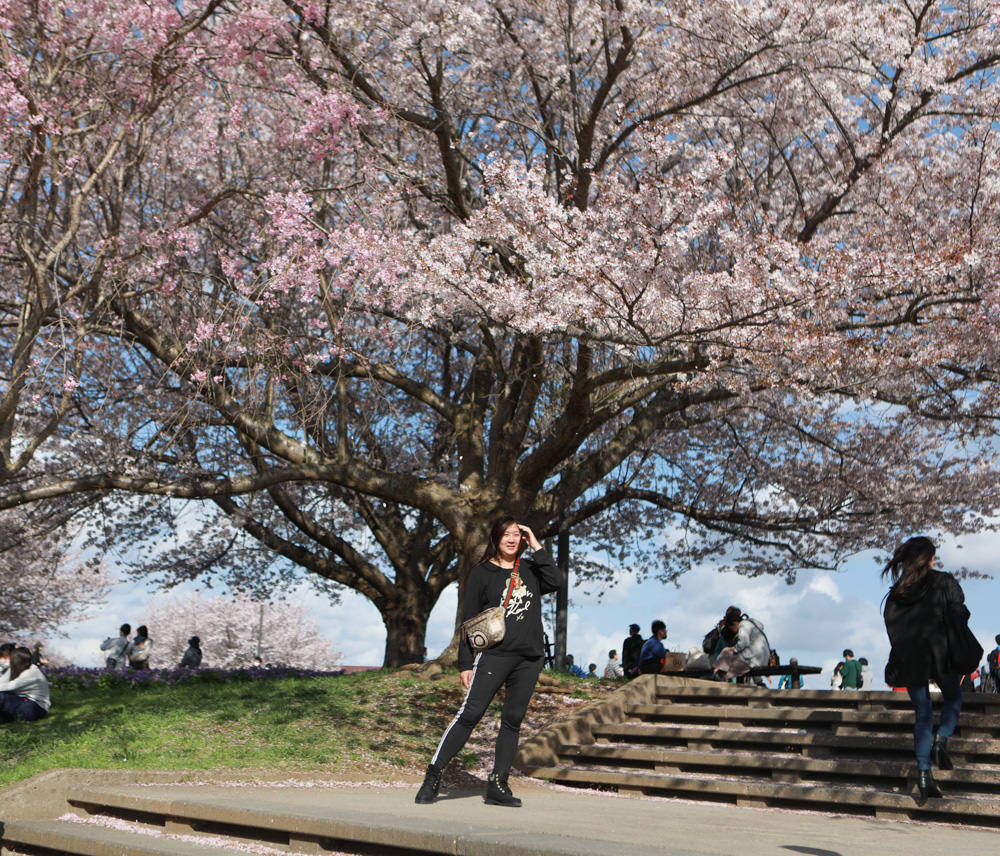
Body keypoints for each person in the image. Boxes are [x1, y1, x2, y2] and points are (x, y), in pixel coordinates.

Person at [415, 517, 562, 807]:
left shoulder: (531, 569)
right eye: (506, 534)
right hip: (495, 654)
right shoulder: (481, 573)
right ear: (495, 538)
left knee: (512, 720)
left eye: (517, 535)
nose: (511, 539)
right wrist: (465, 663)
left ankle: (498, 784)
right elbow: (468, 620)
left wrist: (537, 545)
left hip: (529, 657)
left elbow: (556, 582)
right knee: (470, 714)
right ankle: (433, 775)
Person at [883, 536, 978, 800]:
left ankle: (924, 774)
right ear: (928, 558)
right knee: (954, 697)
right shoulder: (944, 581)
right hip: (942, 655)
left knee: (922, 713)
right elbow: (960, 613)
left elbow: (893, 628)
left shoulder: (897, 592)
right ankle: (941, 740)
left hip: (911, 659)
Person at [711, 606, 770, 681]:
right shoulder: (752, 625)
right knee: (728, 662)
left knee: (726, 652)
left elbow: (743, 642)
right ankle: (719, 674)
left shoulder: (743, 625)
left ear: (734, 623)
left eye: (731, 628)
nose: (733, 631)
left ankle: (717, 674)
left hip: (753, 659)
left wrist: (734, 649)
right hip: (761, 659)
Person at [0, 647, 50, 722]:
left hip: (35, 706)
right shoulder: (21, 669)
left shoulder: (31, 672)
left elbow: (9, 686)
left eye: (10, 659)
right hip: (24, 702)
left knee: (2, 696)